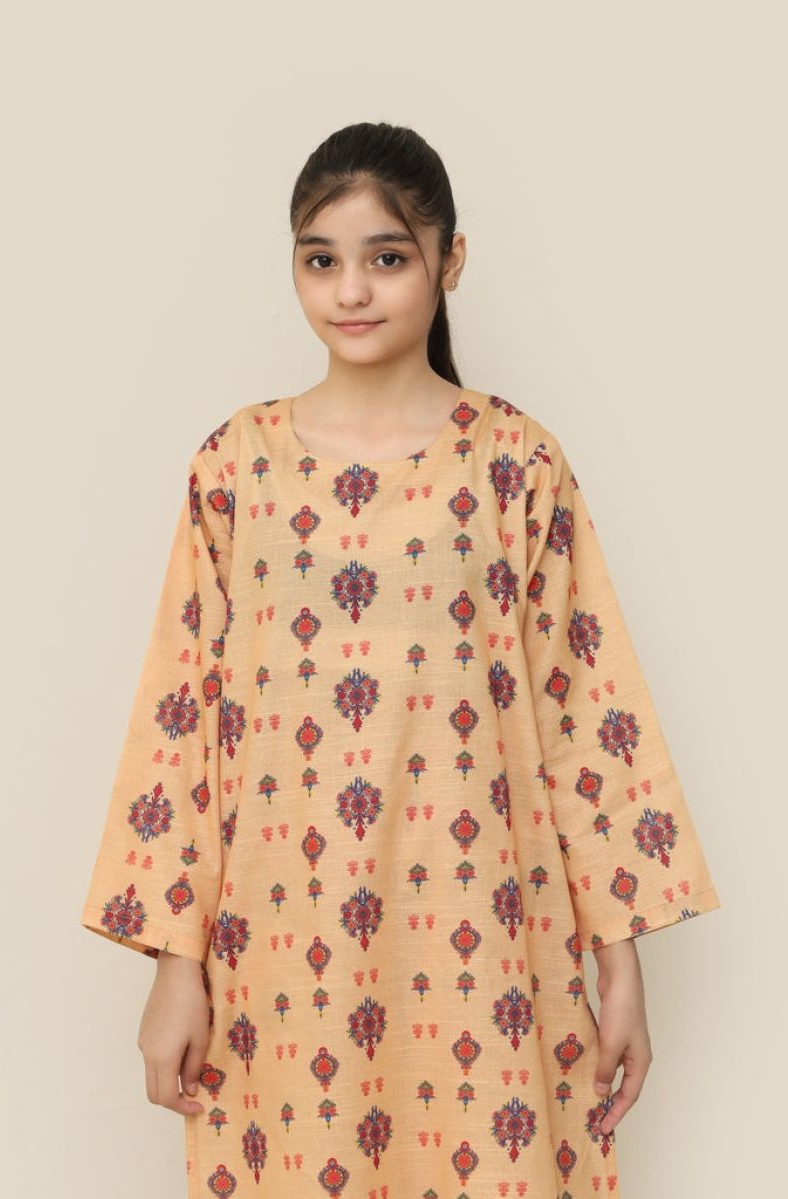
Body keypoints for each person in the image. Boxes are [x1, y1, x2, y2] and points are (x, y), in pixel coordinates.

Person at [80, 121, 721, 1197]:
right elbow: (181, 723)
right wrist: (175, 967)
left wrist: (621, 965)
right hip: (280, 955)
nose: (350, 290)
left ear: (449, 260)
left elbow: (581, 711)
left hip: (487, 941)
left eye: (386, 256)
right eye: (319, 258)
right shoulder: (235, 468)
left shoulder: (516, 464)